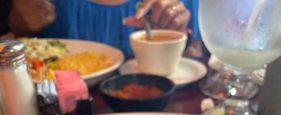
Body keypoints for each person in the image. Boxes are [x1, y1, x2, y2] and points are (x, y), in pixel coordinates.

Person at [4, 0, 201, 55]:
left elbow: (197, 54)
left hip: (158, 114)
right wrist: (19, 22)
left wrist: (175, 35)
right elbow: (16, 40)